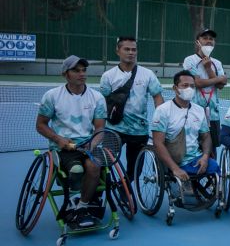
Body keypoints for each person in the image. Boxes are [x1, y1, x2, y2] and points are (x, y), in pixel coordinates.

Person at [36, 55, 107, 228]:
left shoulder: (97, 97)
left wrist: (93, 144)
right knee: (76, 169)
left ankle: (82, 206)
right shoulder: (52, 96)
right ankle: (73, 195)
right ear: (65, 74)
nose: (81, 74)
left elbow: (99, 129)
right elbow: (41, 125)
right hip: (63, 147)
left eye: (83, 70)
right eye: (76, 70)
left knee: (94, 166)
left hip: (88, 145)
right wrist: (58, 138)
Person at [100, 36, 163, 182]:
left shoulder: (148, 74)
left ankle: (124, 189)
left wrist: (160, 121)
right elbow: (102, 104)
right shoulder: (108, 76)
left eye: (134, 49)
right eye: (126, 49)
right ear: (118, 51)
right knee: (103, 164)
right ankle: (96, 197)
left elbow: (158, 97)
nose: (131, 52)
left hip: (139, 130)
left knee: (134, 170)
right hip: (113, 129)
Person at [150, 70, 218, 183]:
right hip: (173, 159)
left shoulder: (199, 110)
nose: (189, 89)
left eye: (192, 86)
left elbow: (206, 137)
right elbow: (158, 143)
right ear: (175, 88)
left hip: (195, 159)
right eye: (185, 85)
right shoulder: (162, 111)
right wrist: (175, 168)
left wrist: (205, 157)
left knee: (214, 166)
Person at [182, 28, 228, 157]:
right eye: (205, 38)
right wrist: (219, 78)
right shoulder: (189, 60)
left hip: (213, 114)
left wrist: (208, 68)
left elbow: (220, 86)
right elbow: (197, 83)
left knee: (212, 150)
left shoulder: (217, 63)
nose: (208, 41)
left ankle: (213, 176)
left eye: (211, 39)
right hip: (194, 113)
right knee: (194, 147)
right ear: (198, 42)